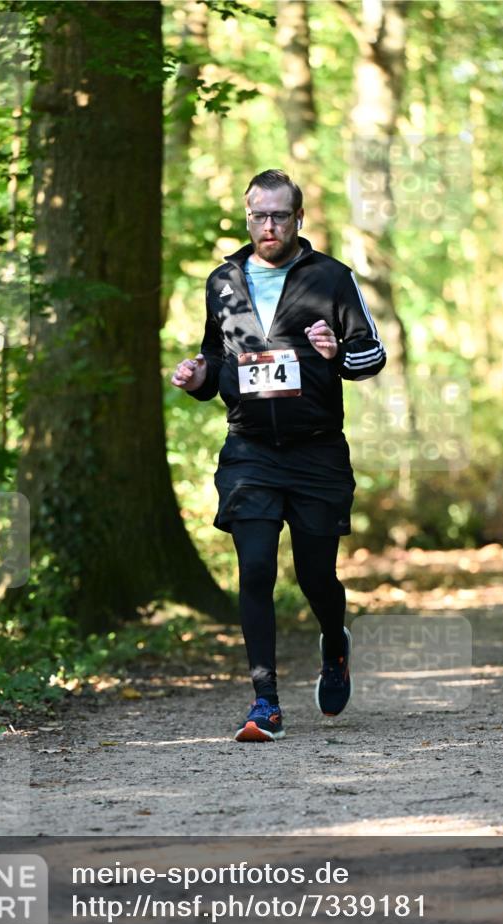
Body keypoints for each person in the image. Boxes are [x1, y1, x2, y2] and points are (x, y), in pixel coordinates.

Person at [171, 169, 386, 742]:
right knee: (256, 567)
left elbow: (372, 355)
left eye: (280, 216)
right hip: (250, 452)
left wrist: (337, 352)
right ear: (248, 218)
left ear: (298, 218)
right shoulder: (223, 282)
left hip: (316, 452)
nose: (269, 226)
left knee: (316, 577)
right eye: (259, 216)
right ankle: (264, 701)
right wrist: (196, 376)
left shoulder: (331, 277)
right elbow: (216, 361)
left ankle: (334, 643)